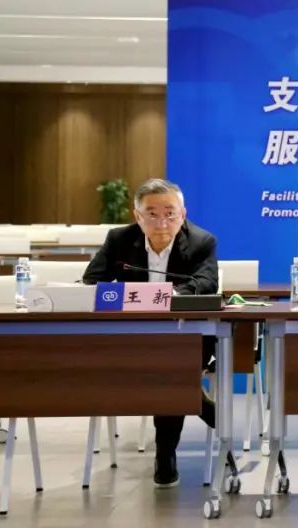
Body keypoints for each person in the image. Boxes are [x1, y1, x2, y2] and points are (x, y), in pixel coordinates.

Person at [83, 178, 219, 489]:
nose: (162, 222)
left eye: (170, 214)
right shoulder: (119, 239)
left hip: (186, 337)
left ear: (183, 214)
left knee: (170, 368)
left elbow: (205, 283)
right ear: (137, 216)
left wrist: (162, 297)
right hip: (133, 338)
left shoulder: (202, 242)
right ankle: (197, 404)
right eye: (152, 214)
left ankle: (165, 454)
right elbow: (92, 281)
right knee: (169, 374)